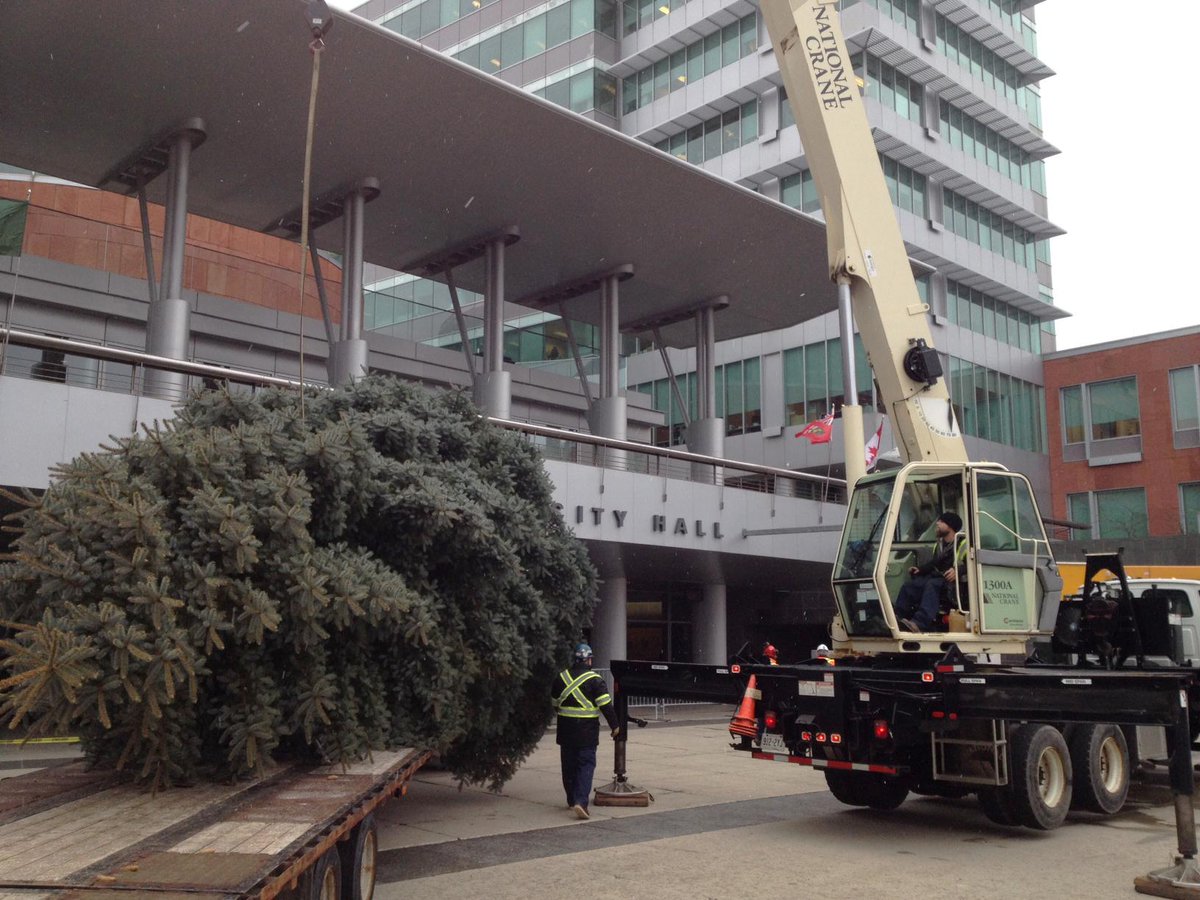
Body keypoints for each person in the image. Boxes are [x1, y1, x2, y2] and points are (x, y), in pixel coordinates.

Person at [550, 642, 619, 820]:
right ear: (589, 660)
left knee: (568, 766)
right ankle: (581, 802)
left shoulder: (561, 678)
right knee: (585, 766)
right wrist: (615, 726)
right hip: (586, 732)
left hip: (565, 731)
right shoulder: (595, 680)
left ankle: (572, 800)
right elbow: (606, 706)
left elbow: (555, 704)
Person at [893, 511, 967, 632]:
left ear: (950, 526)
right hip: (939, 578)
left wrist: (957, 571)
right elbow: (935, 563)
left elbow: (971, 565)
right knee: (910, 586)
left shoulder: (964, 543)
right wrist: (920, 570)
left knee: (932, 584)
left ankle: (919, 623)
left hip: (954, 583)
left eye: (941, 521)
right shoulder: (939, 545)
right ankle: (897, 618)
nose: (937, 523)